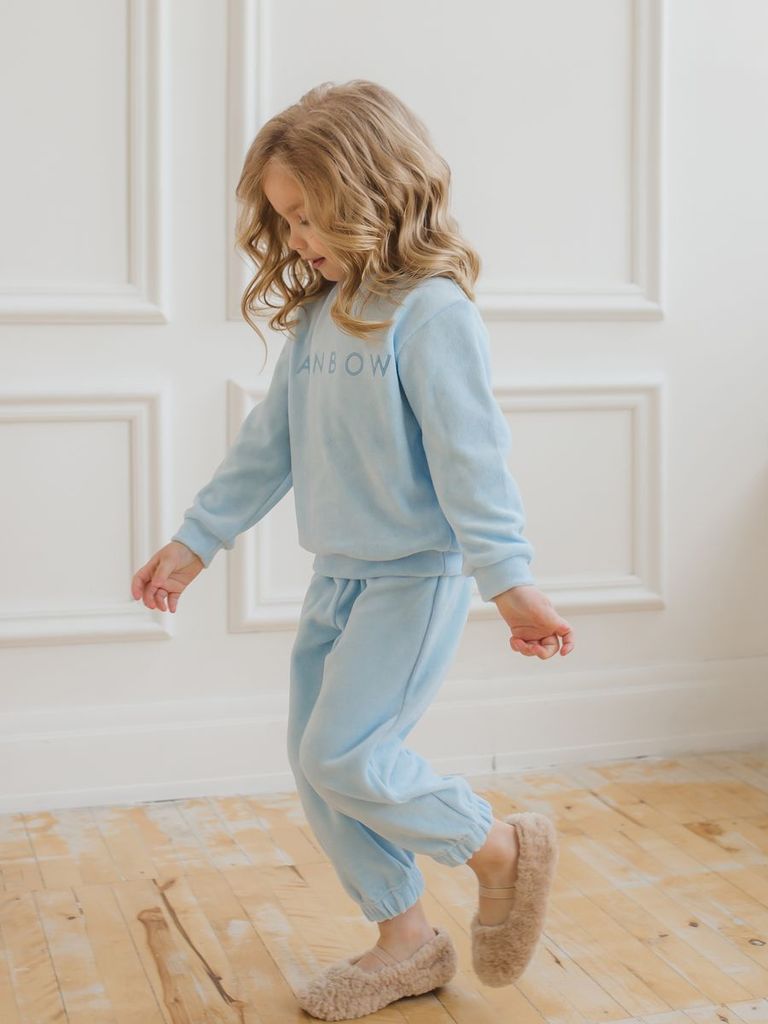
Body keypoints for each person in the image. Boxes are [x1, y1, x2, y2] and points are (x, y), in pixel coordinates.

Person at [131, 79, 573, 1021]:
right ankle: (405, 939)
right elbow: (270, 446)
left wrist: (510, 582)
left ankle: (500, 847)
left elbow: (472, 458)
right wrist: (195, 540)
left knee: (347, 755)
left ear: (374, 192)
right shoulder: (320, 314)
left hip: (415, 580)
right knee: (316, 763)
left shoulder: (433, 312)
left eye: (307, 217)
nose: (294, 239)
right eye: (285, 220)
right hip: (337, 578)